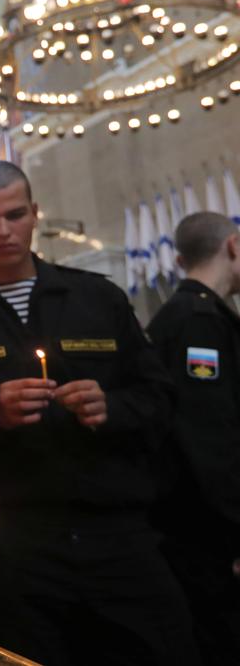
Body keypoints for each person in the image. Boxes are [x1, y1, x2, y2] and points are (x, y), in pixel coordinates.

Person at [0, 160, 196, 664]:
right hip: (14, 537)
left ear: (35, 213)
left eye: (15, 215)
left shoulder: (96, 297)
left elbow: (160, 398)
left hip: (115, 530)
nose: (3, 231)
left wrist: (113, 406)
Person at [147, 211, 240, 665]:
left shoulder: (187, 313)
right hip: (205, 535)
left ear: (180, 258)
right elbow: (211, 437)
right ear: (234, 246)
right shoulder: (198, 320)